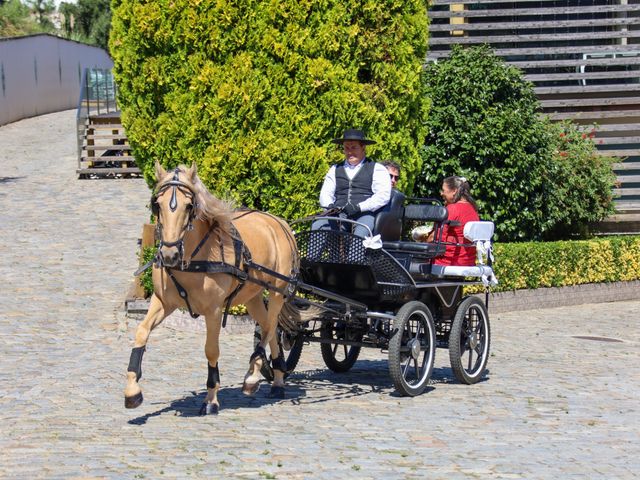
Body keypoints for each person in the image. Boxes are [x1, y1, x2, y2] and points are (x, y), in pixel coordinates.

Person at [313, 128, 391, 238]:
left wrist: (359, 207)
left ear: (363, 148)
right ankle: (313, 256)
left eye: (354, 147)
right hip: (338, 215)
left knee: (361, 233)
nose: (350, 152)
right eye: (346, 148)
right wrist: (330, 207)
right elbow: (325, 194)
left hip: (364, 215)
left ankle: (354, 256)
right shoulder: (335, 169)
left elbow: (383, 196)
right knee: (319, 225)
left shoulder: (377, 169)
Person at [429, 176, 480, 266]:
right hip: (468, 261)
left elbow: (436, 238)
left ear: (454, 191)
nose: (441, 193)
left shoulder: (452, 209)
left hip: (447, 261)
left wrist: (422, 240)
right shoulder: (473, 210)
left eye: (443, 190)